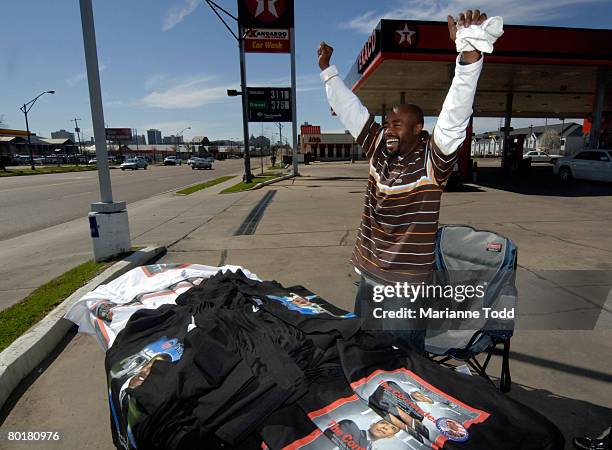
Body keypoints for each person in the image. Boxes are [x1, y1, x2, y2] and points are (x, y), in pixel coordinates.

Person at [318, 10, 494, 353]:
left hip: (405, 288)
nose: (388, 128)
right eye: (386, 123)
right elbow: (351, 109)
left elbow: (454, 117)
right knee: (364, 349)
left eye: (397, 124)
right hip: (369, 276)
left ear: (418, 130)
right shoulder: (378, 151)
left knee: (404, 361)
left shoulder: (431, 161)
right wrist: (327, 70)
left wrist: (469, 57)